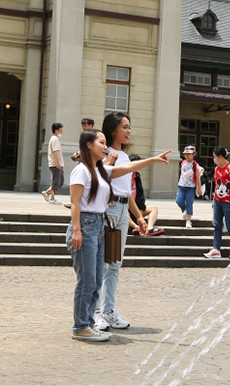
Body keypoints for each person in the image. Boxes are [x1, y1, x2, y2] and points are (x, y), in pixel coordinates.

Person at [67, 128, 169, 342]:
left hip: (99, 225)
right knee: (86, 280)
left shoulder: (102, 170)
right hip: (84, 225)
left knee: (95, 279)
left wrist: (154, 159)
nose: (106, 147)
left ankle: (88, 323)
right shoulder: (82, 171)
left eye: (106, 143)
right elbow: (75, 202)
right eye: (101, 143)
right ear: (88, 145)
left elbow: (130, 166)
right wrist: (77, 230)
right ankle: (80, 326)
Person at [95, 111, 148, 332]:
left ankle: (108, 310)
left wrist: (140, 217)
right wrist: (108, 160)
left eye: (129, 126)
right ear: (112, 130)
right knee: (103, 263)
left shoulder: (125, 157)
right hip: (109, 209)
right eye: (124, 127)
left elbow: (127, 192)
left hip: (124, 208)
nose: (128, 131)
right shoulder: (104, 153)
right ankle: (95, 312)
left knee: (115, 263)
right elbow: (100, 181)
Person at [204, 147, 230, 260]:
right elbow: (217, 185)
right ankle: (216, 249)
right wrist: (214, 199)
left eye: (215, 157)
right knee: (217, 225)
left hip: (228, 202)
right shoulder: (217, 168)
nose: (214, 159)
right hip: (218, 201)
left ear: (220, 157)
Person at [127, 157, 164, 236]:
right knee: (124, 212)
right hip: (126, 207)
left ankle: (150, 228)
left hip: (136, 208)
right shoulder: (124, 175)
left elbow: (140, 193)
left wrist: (141, 208)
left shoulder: (137, 176)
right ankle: (137, 227)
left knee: (153, 208)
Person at [176, 146, 203, 228]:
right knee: (179, 201)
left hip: (190, 187)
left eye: (189, 154)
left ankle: (188, 220)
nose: (187, 156)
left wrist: (199, 188)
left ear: (193, 154)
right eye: (185, 154)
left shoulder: (195, 165)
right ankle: (186, 210)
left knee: (189, 203)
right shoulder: (183, 163)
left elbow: (198, 177)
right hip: (181, 186)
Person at [43, 123, 65, 205]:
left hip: (58, 163)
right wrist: (57, 163)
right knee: (56, 181)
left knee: (61, 181)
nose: (62, 131)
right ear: (56, 131)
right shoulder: (54, 139)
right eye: (61, 129)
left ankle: (47, 192)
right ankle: (52, 198)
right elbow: (55, 151)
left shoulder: (55, 138)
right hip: (56, 164)